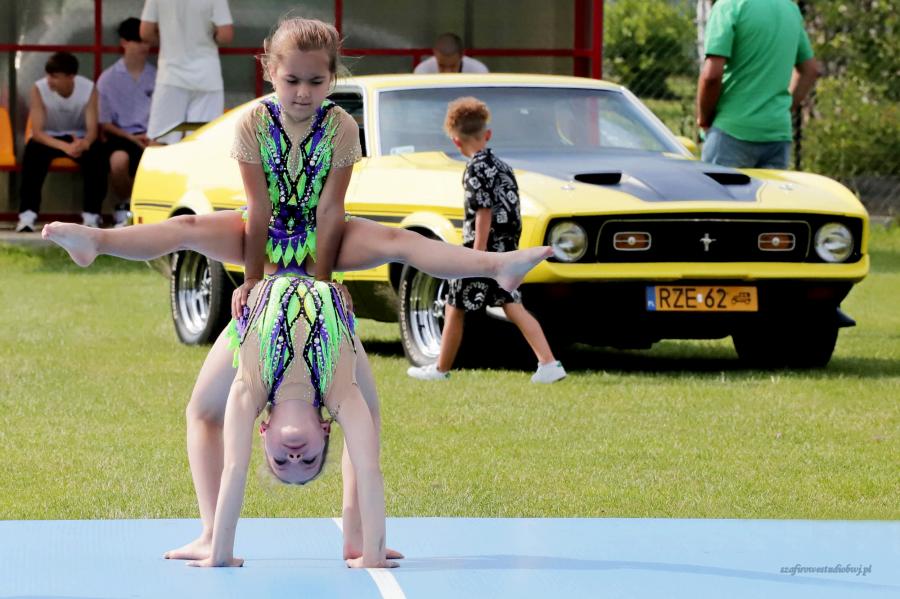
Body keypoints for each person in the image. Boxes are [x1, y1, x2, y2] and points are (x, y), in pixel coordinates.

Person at [43, 17, 551, 566]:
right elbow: (258, 207)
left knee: (397, 241)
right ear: (270, 71)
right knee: (188, 234)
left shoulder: (342, 127)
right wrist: (252, 282)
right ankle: (97, 241)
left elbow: (331, 209)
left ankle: (496, 266)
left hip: (321, 241)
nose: (304, 93)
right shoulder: (252, 124)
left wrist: (325, 285)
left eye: (316, 81)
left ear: (332, 78)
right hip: (263, 237)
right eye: (292, 81)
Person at [408, 98, 565, 384]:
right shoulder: (503, 166)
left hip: (483, 249)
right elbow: (511, 209)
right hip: (505, 248)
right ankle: (548, 362)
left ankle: (440, 370)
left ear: (456, 142)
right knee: (511, 303)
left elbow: (483, 211)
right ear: (488, 134)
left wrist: (477, 254)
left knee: (455, 304)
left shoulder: (474, 169)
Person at [695, 0, 820, 169]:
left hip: (731, 132)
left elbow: (711, 76)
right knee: (768, 188)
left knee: (715, 187)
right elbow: (810, 70)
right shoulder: (790, 9)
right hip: (777, 135)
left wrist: (704, 119)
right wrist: (782, 109)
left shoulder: (729, 6)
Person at [16, 52, 106, 233]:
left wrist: (84, 143)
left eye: (55, 76)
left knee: (98, 155)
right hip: (49, 139)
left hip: (78, 138)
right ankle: (27, 216)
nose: (49, 80)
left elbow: (92, 131)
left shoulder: (89, 89)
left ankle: (92, 216)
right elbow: (37, 132)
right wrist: (66, 147)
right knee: (32, 152)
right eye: (48, 75)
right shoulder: (39, 89)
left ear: (71, 77)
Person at [140, 0, 233, 144]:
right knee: (203, 140)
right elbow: (225, 35)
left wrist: (166, 40)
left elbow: (145, 32)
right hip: (207, 77)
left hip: (170, 76)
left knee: (161, 140)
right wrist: (211, 37)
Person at [97, 17, 155, 227]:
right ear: (124, 43)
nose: (144, 47)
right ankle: (127, 203)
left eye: (146, 42)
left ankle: (146, 207)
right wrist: (131, 138)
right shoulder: (108, 79)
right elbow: (105, 123)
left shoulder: (158, 76)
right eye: (138, 41)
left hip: (152, 135)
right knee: (118, 161)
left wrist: (152, 136)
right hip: (121, 136)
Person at [413, 33, 489, 74]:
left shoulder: (478, 71)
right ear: (435, 54)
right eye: (441, 66)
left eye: (453, 66)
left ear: (462, 55)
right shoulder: (423, 71)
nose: (447, 72)